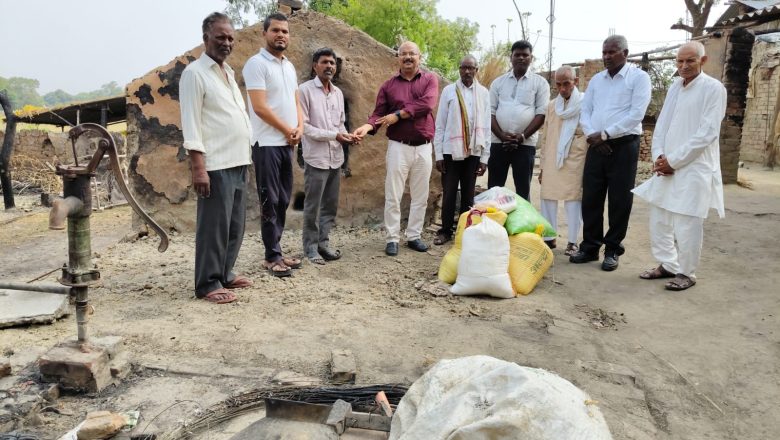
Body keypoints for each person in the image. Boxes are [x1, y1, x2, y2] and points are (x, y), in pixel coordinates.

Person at [632, 42, 727, 291]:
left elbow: (707, 133)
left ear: (703, 61)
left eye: (690, 61)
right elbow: (661, 124)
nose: (683, 66)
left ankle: (687, 273)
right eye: (679, 61)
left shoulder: (713, 88)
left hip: (694, 168)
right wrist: (659, 157)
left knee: (687, 222)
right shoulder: (675, 86)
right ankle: (667, 265)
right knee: (659, 219)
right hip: (666, 165)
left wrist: (674, 161)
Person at [179, 12, 253, 304]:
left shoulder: (229, 73)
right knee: (214, 226)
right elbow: (192, 122)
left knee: (235, 224)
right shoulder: (195, 73)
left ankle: (225, 272)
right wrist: (199, 168)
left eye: (231, 38)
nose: (226, 43)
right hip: (216, 164)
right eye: (220, 37)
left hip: (238, 160)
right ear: (205, 38)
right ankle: (208, 283)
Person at [570, 35, 651, 271]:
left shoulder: (639, 78)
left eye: (612, 52)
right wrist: (595, 136)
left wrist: (606, 134)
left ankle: (613, 249)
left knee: (619, 199)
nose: (606, 56)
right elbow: (585, 111)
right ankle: (590, 247)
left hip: (624, 145)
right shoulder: (596, 80)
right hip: (596, 144)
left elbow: (636, 114)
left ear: (625, 53)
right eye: (604, 52)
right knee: (591, 197)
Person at [353, 41, 438, 256]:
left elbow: (426, 104)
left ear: (419, 57)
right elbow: (378, 113)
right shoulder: (388, 86)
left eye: (412, 54)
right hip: (399, 147)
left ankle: (414, 236)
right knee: (393, 194)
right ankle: (392, 238)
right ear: (398, 58)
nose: (408, 57)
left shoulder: (429, 80)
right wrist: (367, 126)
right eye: (403, 54)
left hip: (424, 148)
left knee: (420, 195)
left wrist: (398, 114)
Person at [243, 12, 304, 277]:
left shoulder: (288, 66)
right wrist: (287, 129)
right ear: (264, 33)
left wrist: (299, 127)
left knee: (282, 199)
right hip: (266, 142)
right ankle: (271, 256)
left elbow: (295, 100)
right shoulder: (256, 64)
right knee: (270, 199)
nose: (281, 35)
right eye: (276, 30)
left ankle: (276, 248)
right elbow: (259, 107)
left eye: (285, 31)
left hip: (287, 143)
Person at [298, 47, 356, 264]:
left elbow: (340, 123)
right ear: (315, 66)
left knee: (329, 206)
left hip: (335, 157)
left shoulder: (338, 93)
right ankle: (310, 249)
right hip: (317, 158)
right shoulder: (304, 90)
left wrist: (346, 136)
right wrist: (336, 136)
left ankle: (324, 244)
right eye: (324, 62)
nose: (329, 66)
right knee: (313, 206)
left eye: (332, 63)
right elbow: (304, 127)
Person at [432, 54, 490, 245]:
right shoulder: (449, 91)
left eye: (470, 68)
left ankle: (466, 231)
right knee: (449, 191)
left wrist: (484, 158)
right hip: (451, 150)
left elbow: (487, 126)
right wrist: (439, 153)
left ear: (476, 70)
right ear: (459, 69)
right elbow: (439, 125)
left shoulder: (483, 93)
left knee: (468, 192)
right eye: (463, 67)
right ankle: (445, 230)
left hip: (473, 151)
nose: (467, 71)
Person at [488, 40, 550, 201]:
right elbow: (490, 113)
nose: (521, 58)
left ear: (531, 58)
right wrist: (502, 136)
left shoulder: (540, 83)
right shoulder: (498, 82)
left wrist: (522, 136)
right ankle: (493, 224)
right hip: (498, 143)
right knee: (494, 189)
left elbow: (541, 114)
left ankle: (523, 226)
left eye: (525, 55)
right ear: (511, 57)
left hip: (525, 144)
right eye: (517, 55)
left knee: (523, 191)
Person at [538, 65, 587, 256]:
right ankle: (549, 237)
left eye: (566, 83)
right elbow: (546, 135)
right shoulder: (551, 106)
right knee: (547, 196)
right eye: (558, 85)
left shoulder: (585, 102)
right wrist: (542, 166)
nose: (563, 89)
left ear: (575, 81)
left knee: (573, 199)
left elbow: (588, 132)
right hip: (551, 156)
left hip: (575, 157)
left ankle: (573, 242)